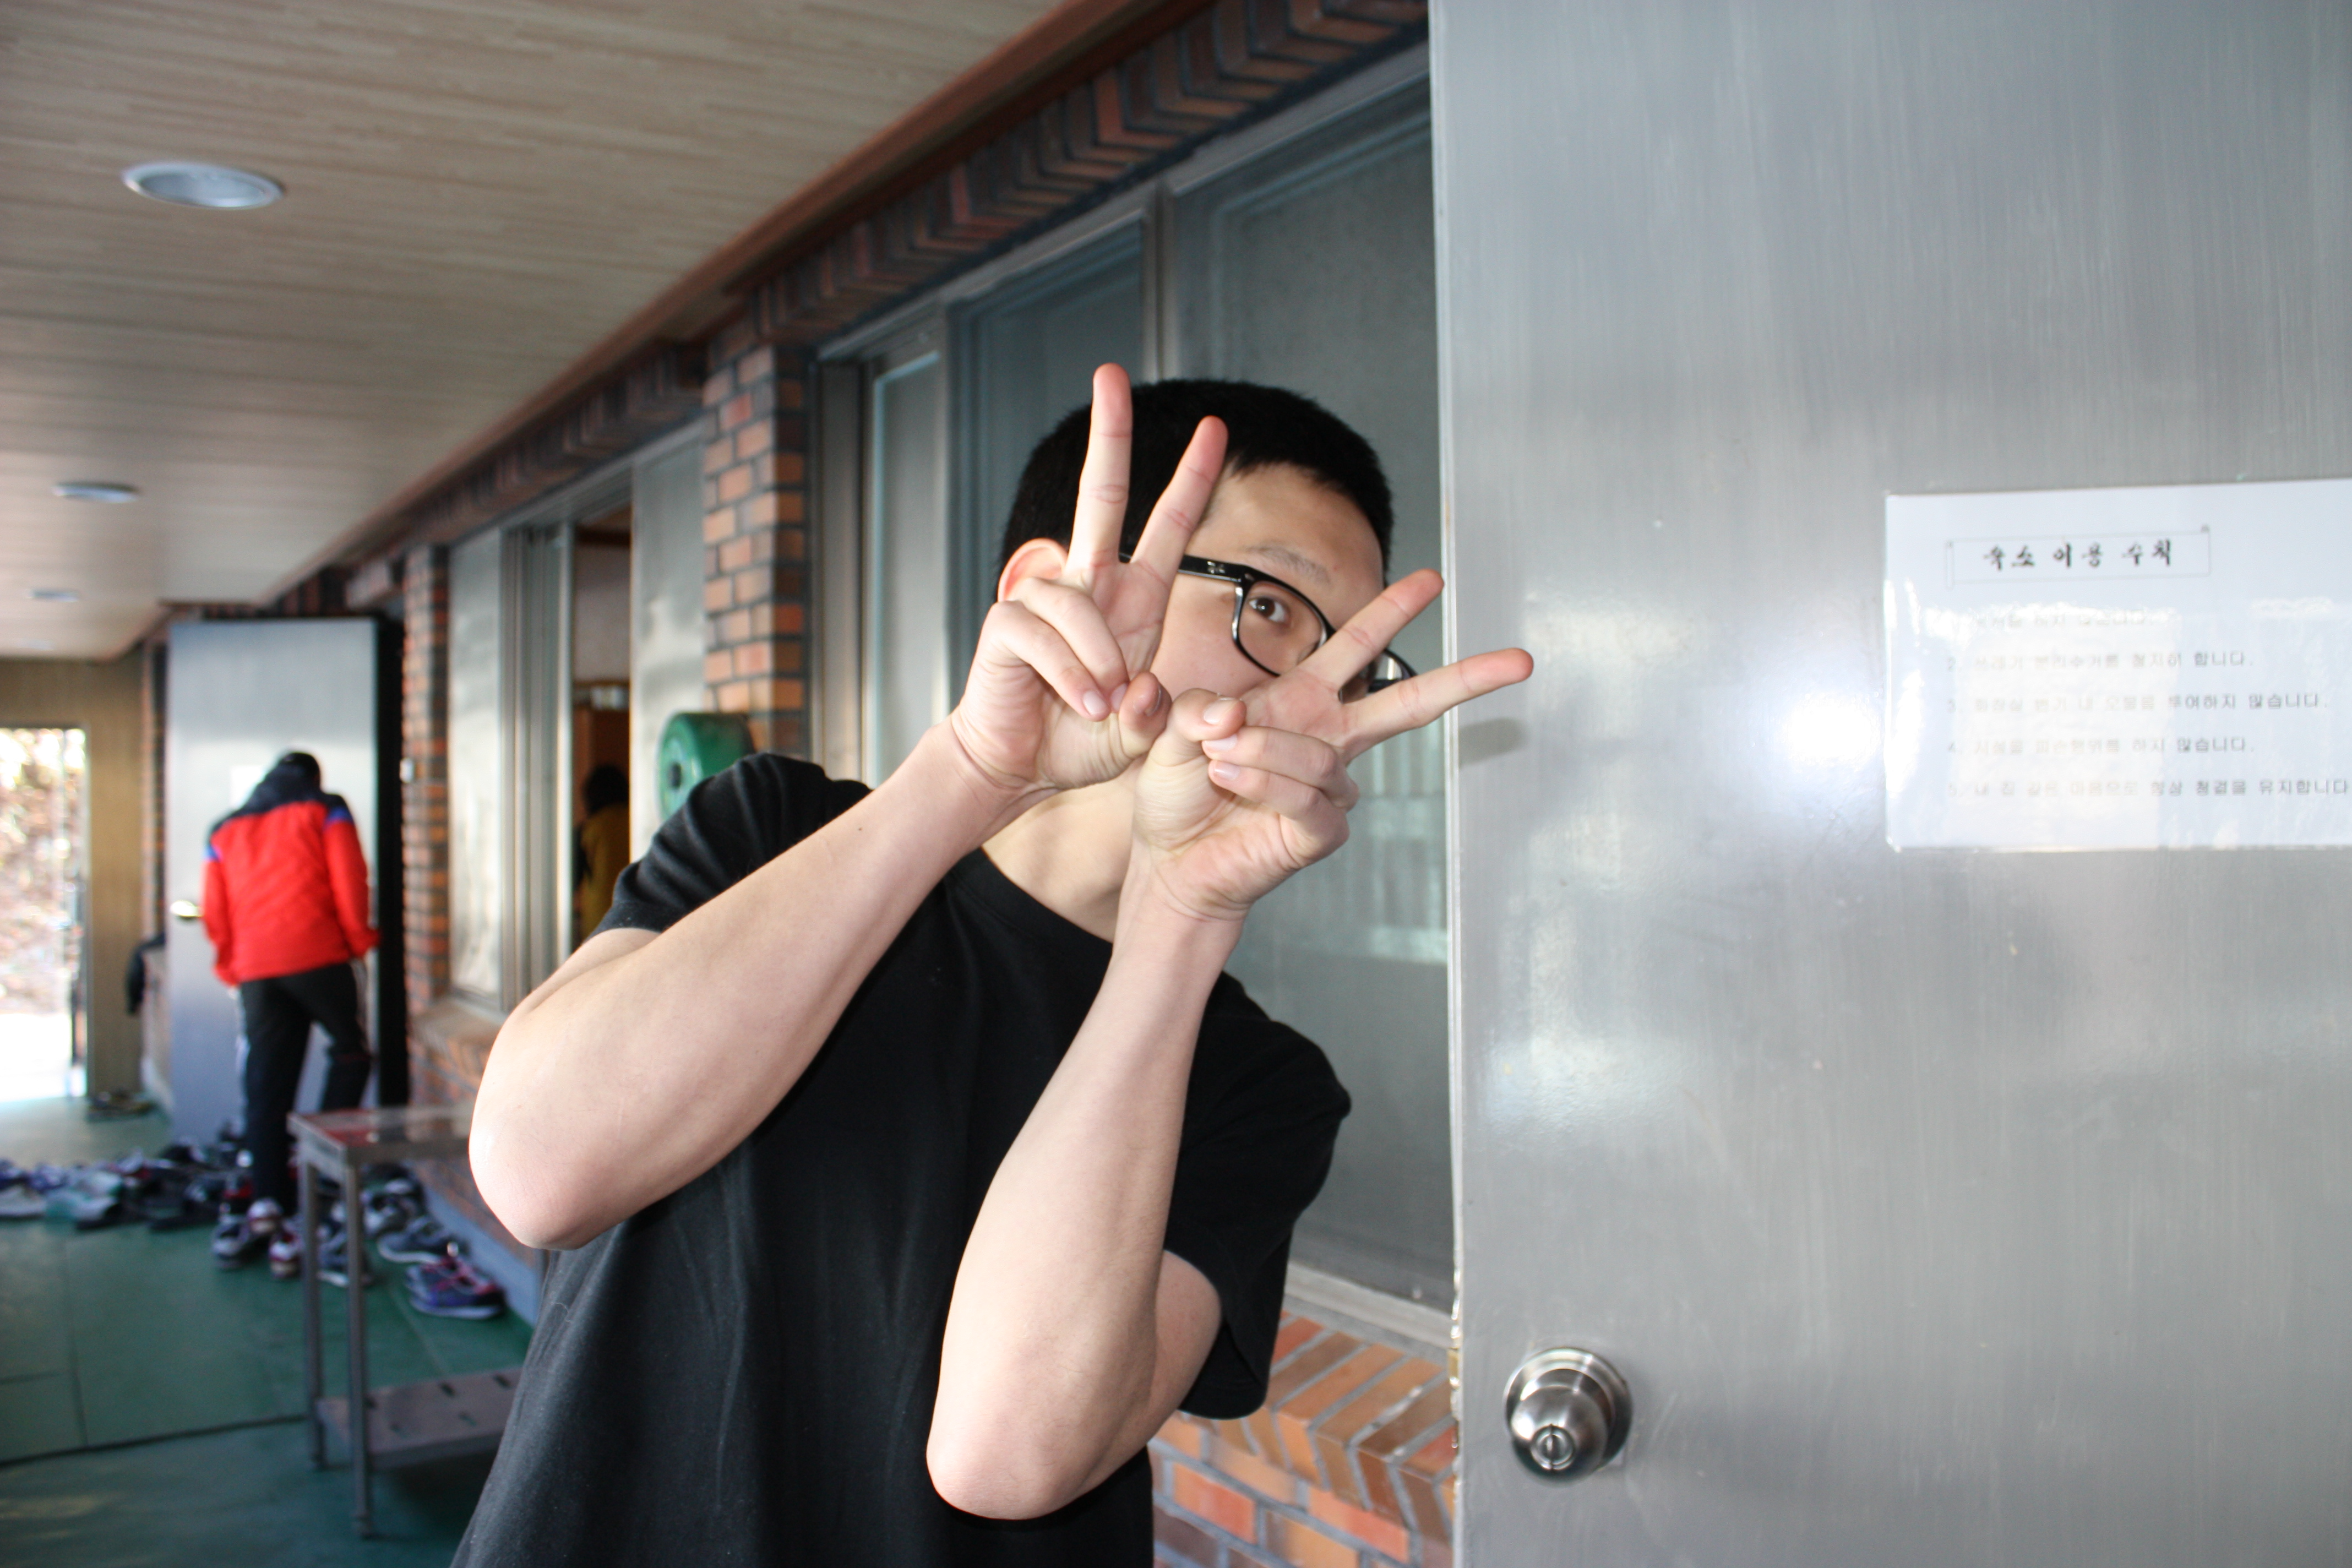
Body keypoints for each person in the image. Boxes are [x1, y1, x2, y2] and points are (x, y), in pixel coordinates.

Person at [456, 368, 1533, 1565]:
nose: (1307, 686)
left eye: (1353, 655)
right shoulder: (769, 831)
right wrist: (975, 767)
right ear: (1047, 592)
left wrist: (1180, 912)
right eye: (1272, 605)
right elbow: (540, 1169)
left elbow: (1009, 1455)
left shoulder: (1256, 1082)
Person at [202, 751, 377, 1276]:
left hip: (256, 969)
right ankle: (320, 1174)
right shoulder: (326, 810)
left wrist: (229, 964)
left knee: (266, 1081)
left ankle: (268, 1200)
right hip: (318, 955)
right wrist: (359, 940)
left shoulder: (225, 829)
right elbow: (350, 878)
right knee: (351, 1053)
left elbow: (215, 908)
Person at [573, 763, 629, 941]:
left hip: (599, 926)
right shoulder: (634, 822)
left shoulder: (589, 830)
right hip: (635, 919)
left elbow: (571, 880)